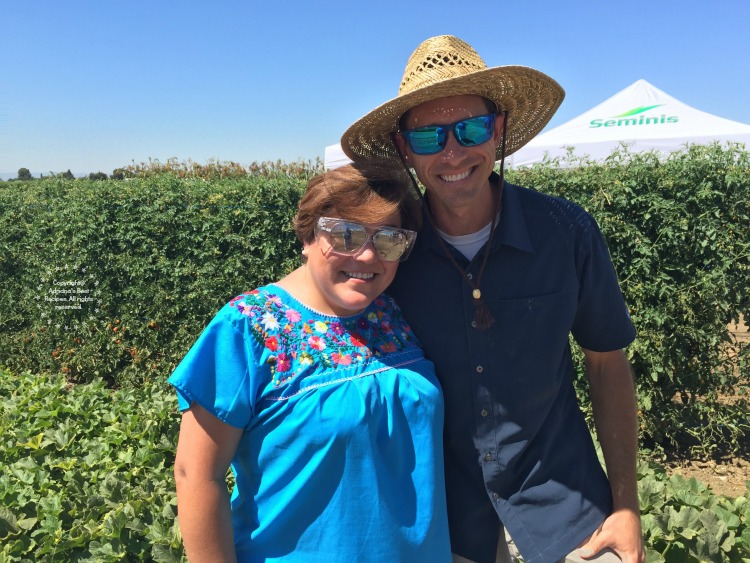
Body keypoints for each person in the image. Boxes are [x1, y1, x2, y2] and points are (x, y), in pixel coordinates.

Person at [339, 35, 645, 563]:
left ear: (498, 129)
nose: (453, 152)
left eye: (471, 129)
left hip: (570, 512)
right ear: (404, 147)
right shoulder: (392, 252)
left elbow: (606, 364)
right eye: (430, 137)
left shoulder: (566, 232)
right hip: (445, 524)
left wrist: (627, 507)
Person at [169, 164, 452, 562]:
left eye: (389, 239)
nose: (368, 254)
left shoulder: (394, 311)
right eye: (346, 234)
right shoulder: (248, 327)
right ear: (307, 235)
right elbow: (197, 475)